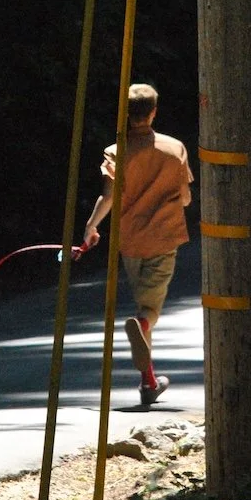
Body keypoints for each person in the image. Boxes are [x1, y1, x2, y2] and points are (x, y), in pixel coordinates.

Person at [83, 82, 193, 405]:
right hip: (163, 237)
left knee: (144, 300)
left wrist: (91, 226)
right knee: (150, 310)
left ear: (125, 114)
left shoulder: (116, 152)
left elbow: (108, 197)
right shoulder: (174, 149)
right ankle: (141, 326)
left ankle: (149, 383)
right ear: (154, 112)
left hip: (129, 241)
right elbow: (185, 198)